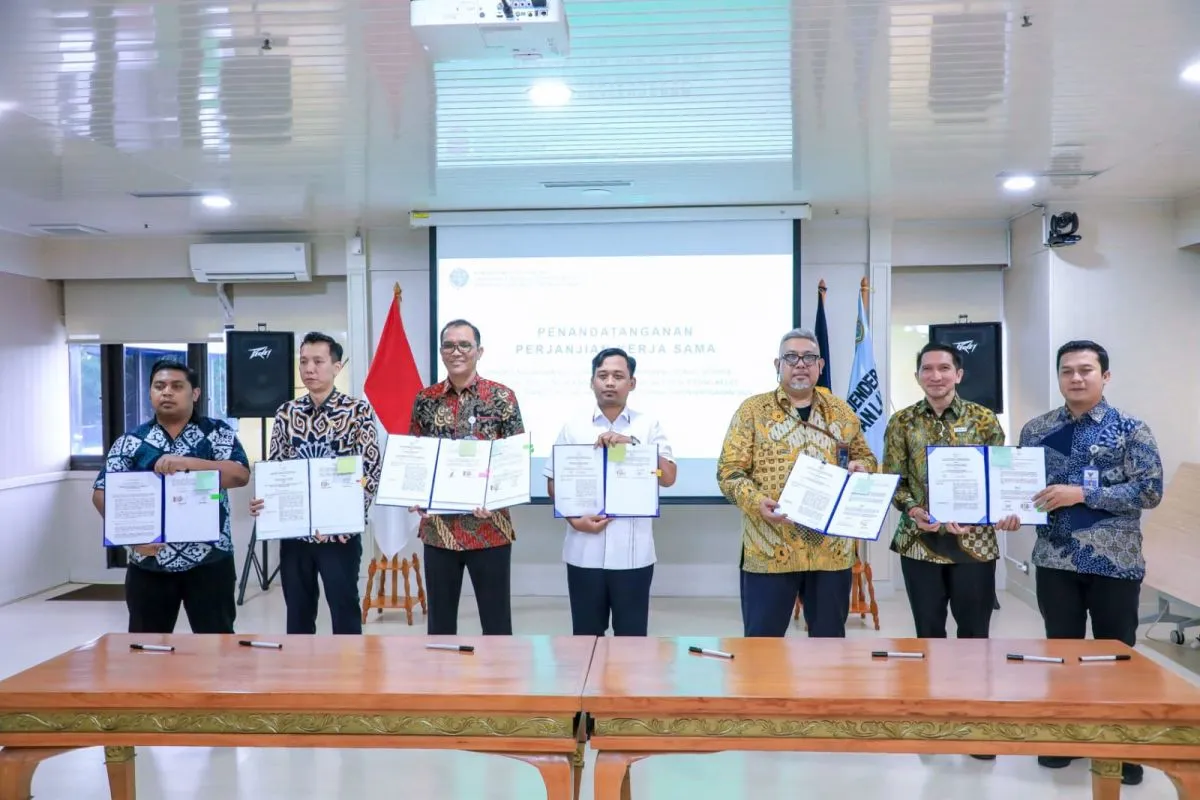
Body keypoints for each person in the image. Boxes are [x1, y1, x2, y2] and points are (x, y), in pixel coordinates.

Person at [1019, 340, 1162, 787]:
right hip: (1055, 559)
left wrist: (1083, 494)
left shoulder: (1130, 430)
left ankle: (1122, 746)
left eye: (1086, 370)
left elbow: (1150, 491)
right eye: (1067, 371)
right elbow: (1021, 488)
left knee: (1116, 654)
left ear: (1105, 375)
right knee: (1061, 652)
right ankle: (1065, 737)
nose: (1076, 378)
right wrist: (1007, 508)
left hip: (1113, 562)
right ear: (1059, 377)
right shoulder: (1035, 429)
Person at [717, 328, 876, 638]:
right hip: (769, 548)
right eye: (791, 357)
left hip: (831, 553)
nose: (800, 364)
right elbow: (728, 472)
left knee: (828, 647)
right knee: (763, 650)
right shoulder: (752, 411)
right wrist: (755, 502)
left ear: (821, 365)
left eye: (809, 357)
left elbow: (867, 458)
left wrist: (862, 468)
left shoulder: (842, 412)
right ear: (778, 364)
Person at [91, 359, 250, 634]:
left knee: (217, 646)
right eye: (159, 386)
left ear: (195, 393)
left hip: (211, 561)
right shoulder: (131, 441)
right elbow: (102, 492)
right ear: (151, 392)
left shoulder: (218, 433)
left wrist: (188, 462)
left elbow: (239, 475)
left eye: (177, 386)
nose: (166, 392)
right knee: (147, 649)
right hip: (150, 564)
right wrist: (130, 538)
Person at [884, 343, 1022, 640]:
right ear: (918, 376)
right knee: (928, 632)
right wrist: (913, 509)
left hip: (974, 543)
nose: (936, 376)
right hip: (919, 542)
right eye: (927, 369)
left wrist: (986, 512)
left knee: (975, 634)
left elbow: (998, 477)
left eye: (944, 368)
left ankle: (970, 688)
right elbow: (893, 479)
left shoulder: (983, 419)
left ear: (958, 374)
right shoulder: (901, 422)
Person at [248, 332, 382, 635]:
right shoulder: (286, 412)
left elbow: (370, 472)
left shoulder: (357, 412)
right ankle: (300, 678)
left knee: (344, 607)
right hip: (295, 534)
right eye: (304, 361)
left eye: (318, 361)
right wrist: (264, 500)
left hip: (340, 536)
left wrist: (341, 521)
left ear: (337, 367)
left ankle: (348, 678)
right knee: (297, 610)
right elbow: (276, 468)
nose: (309, 369)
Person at [545, 347, 677, 637]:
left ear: (632, 383)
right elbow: (554, 483)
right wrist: (574, 520)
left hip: (633, 555)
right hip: (583, 552)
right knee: (586, 638)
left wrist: (634, 445)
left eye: (618, 376)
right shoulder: (573, 426)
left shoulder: (648, 425)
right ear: (591, 381)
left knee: (631, 639)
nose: (609, 382)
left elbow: (667, 477)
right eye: (602, 375)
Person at [409, 319, 525, 635]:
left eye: (464, 345)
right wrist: (413, 493)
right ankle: (441, 681)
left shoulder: (502, 397)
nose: (456, 351)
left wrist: (497, 497)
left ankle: (498, 684)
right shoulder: (425, 399)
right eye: (449, 345)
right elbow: (415, 455)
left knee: (496, 623)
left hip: (490, 528)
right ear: (441, 351)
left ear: (479, 351)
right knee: (440, 625)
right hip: (439, 530)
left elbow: (516, 459)